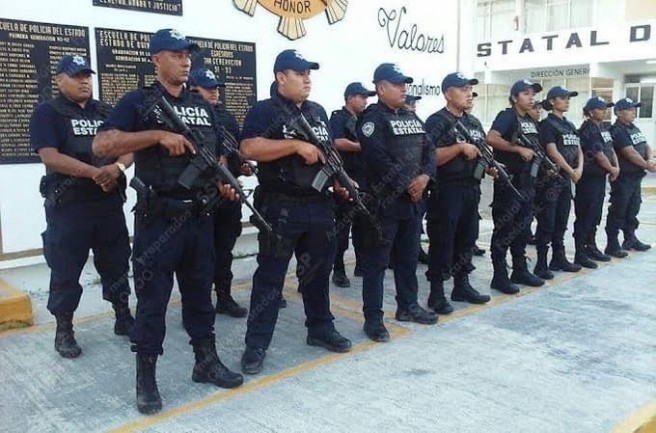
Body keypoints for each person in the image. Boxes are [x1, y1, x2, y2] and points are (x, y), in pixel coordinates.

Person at [93, 28, 244, 415]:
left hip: (200, 217)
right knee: (153, 303)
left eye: (188, 55)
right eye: (176, 55)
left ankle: (205, 361)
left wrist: (224, 183)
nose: (185, 61)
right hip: (159, 220)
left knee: (200, 296)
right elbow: (102, 144)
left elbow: (216, 155)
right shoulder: (138, 102)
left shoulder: (202, 105)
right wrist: (156, 136)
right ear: (156, 59)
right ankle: (146, 378)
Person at [238, 49, 352, 375]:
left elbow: (327, 153)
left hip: (318, 204)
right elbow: (249, 148)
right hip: (281, 205)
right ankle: (256, 344)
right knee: (270, 278)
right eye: (300, 73)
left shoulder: (317, 111)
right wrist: (295, 145)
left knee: (317, 272)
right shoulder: (264, 111)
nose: (307, 79)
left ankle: (320, 327)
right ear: (281, 77)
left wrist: (341, 181)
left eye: (309, 74)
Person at [29, 55, 134, 359]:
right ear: (59, 80)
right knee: (66, 268)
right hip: (69, 207)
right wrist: (93, 173)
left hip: (107, 203)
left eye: (87, 76)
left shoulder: (106, 111)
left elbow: (128, 148)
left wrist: (116, 168)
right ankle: (64, 329)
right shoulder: (48, 112)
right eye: (76, 76)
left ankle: (123, 315)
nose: (84, 81)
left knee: (116, 262)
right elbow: (50, 156)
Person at [357, 63, 438, 343]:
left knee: (408, 257)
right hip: (384, 204)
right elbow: (378, 158)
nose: (403, 89)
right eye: (397, 84)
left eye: (404, 84)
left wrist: (425, 177)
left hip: (412, 203)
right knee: (376, 263)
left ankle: (408, 306)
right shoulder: (371, 119)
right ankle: (373, 319)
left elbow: (430, 150)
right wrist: (408, 185)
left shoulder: (410, 116)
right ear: (381, 88)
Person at [424, 73, 492, 315]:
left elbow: (483, 150)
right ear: (447, 93)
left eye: (470, 89)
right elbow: (429, 157)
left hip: (471, 189)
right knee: (442, 241)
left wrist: (490, 166)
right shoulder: (436, 121)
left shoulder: (473, 122)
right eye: (463, 89)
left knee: (467, 239)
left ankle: (461, 286)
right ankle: (436, 293)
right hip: (447, 190)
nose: (469, 93)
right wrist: (459, 148)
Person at [187, 67, 251, 318]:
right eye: (208, 88)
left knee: (224, 250)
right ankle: (198, 304)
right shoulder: (188, 115)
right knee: (199, 254)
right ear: (193, 89)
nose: (214, 92)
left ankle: (224, 297)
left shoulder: (227, 117)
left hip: (228, 195)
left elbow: (234, 151)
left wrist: (241, 167)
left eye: (216, 88)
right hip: (202, 195)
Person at [486, 80, 546, 294]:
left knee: (522, 229)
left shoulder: (529, 120)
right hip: (510, 183)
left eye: (533, 94)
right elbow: (491, 138)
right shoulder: (507, 116)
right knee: (504, 230)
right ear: (514, 97)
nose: (531, 98)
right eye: (526, 94)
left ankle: (520, 269)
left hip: (528, 183)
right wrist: (518, 149)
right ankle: (499, 276)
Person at [533, 86, 584, 279]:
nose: (567, 101)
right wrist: (571, 171)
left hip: (566, 179)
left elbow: (578, 148)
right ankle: (541, 263)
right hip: (551, 180)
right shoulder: (547, 125)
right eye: (563, 98)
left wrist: (578, 169)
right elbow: (552, 151)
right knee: (547, 221)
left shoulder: (569, 125)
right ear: (552, 101)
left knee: (561, 220)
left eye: (568, 98)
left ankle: (558, 258)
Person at [329, 82, 375, 287]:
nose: (365, 101)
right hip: (345, 178)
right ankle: (338, 270)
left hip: (364, 179)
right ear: (350, 98)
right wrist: (362, 146)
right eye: (362, 97)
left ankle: (361, 264)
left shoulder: (364, 120)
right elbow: (336, 142)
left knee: (363, 226)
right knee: (342, 228)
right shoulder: (338, 118)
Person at [605, 98, 656, 255]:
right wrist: (647, 165)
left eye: (635, 109)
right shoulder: (617, 130)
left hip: (636, 177)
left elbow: (645, 145)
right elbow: (629, 152)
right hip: (623, 178)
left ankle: (630, 239)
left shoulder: (633, 127)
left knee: (633, 208)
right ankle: (612, 244)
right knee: (618, 210)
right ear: (619, 112)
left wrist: (651, 159)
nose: (634, 112)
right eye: (630, 109)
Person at [573, 97, 617, 264]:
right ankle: (580, 252)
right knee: (585, 214)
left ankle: (591, 246)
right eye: (601, 108)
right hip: (588, 179)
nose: (604, 111)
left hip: (599, 178)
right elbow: (599, 154)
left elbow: (610, 148)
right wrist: (612, 169)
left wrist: (616, 167)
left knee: (595, 215)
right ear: (591, 112)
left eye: (606, 108)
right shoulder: (588, 129)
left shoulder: (603, 128)